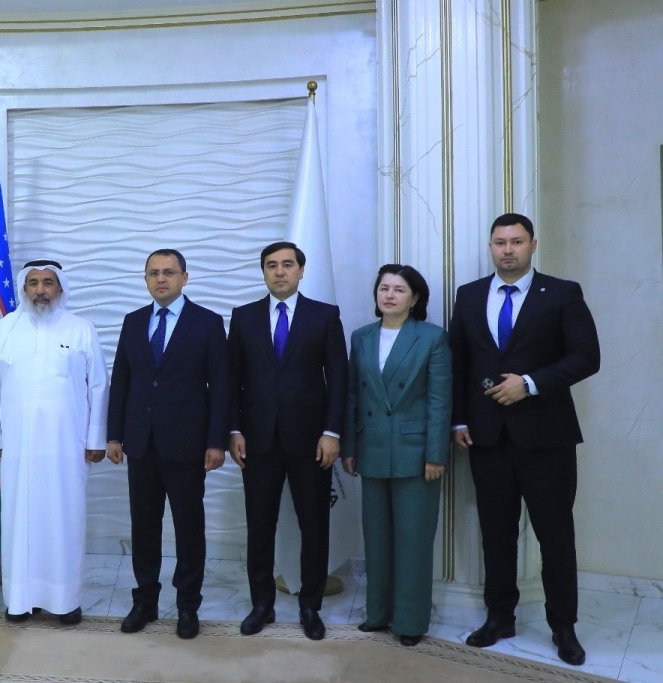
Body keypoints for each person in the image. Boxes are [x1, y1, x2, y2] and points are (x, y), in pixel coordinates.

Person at [450, 213, 599, 666]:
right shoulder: (470, 295)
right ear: (491, 247)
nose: (508, 250)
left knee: (555, 535)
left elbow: (586, 357)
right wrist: (458, 421)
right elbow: (459, 364)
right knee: (496, 534)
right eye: (500, 242)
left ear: (534, 244)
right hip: (487, 438)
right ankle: (500, 617)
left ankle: (563, 627)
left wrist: (530, 382)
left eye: (517, 241)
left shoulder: (562, 293)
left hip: (546, 438)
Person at [106, 248, 229, 640]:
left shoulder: (207, 324)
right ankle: (144, 601)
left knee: (189, 528)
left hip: (188, 445)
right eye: (154, 273)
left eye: (169, 273)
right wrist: (114, 435)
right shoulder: (133, 321)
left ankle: (187, 606)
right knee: (144, 527)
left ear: (184, 278)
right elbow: (121, 382)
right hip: (140, 444)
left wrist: (216, 442)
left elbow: (221, 386)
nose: (162, 279)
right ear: (145, 279)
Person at [227, 241, 347, 641]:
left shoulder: (324, 316)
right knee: (260, 525)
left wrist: (332, 433)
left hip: (312, 440)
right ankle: (262, 604)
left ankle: (310, 605)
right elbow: (231, 380)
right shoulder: (243, 318)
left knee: (315, 525)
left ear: (301, 271)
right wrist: (234, 430)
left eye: (287, 265)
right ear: (263, 272)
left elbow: (339, 379)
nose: (280, 271)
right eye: (271, 265)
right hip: (257, 440)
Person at [0, 259, 108, 625]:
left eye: (48, 283)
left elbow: (98, 387)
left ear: (60, 288)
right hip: (18, 444)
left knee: (63, 517)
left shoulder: (81, 329)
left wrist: (96, 438)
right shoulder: (7, 328)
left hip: (67, 444)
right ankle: (20, 599)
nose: (40, 290)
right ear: (24, 289)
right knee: (18, 517)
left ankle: (65, 600)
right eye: (33, 283)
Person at [341, 264, 450, 647]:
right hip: (371, 449)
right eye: (383, 288)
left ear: (415, 298)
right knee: (377, 538)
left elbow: (439, 401)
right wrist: (349, 449)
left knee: (413, 540)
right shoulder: (361, 337)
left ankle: (409, 621)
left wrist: (436, 454)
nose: (389, 295)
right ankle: (378, 614)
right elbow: (353, 396)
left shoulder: (432, 338)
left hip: (416, 453)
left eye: (399, 289)